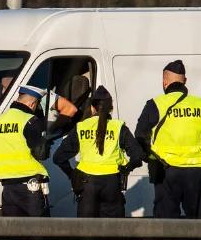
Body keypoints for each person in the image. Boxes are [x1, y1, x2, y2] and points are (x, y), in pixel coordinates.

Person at [134, 59, 201, 218]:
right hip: (196, 173)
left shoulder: (155, 104)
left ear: (164, 82)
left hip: (165, 172)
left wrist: (152, 159)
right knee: (200, 222)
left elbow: (139, 137)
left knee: (166, 223)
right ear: (185, 81)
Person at [53, 86, 144, 218]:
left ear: (92, 108)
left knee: (87, 231)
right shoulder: (119, 128)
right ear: (111, 109)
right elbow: (138, 155)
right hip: (112, 184)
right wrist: (126, 169)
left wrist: (72, 175)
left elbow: (58, 158)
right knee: (114, 230)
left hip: (87, 184)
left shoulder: (81, 127)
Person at [0, 84, 51, 216]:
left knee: (13, 232)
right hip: (30, 188)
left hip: (8, 189)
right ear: (32, 103)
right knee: (40, 231)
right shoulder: (30, 121)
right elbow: (41, 153)